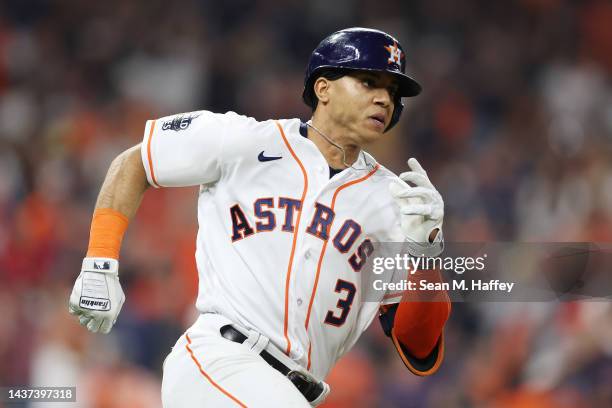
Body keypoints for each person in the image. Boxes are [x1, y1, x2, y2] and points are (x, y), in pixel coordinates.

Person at [68, 27, 451, 407]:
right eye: (369, 82)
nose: (384, 99)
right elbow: (136, 162)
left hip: (296, 390)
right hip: (220, 361)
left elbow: (420, 348)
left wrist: (425, 255)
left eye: (392, 92)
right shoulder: (245, 141)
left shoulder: (397, 203)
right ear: (324, 88)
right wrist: (100, 259)